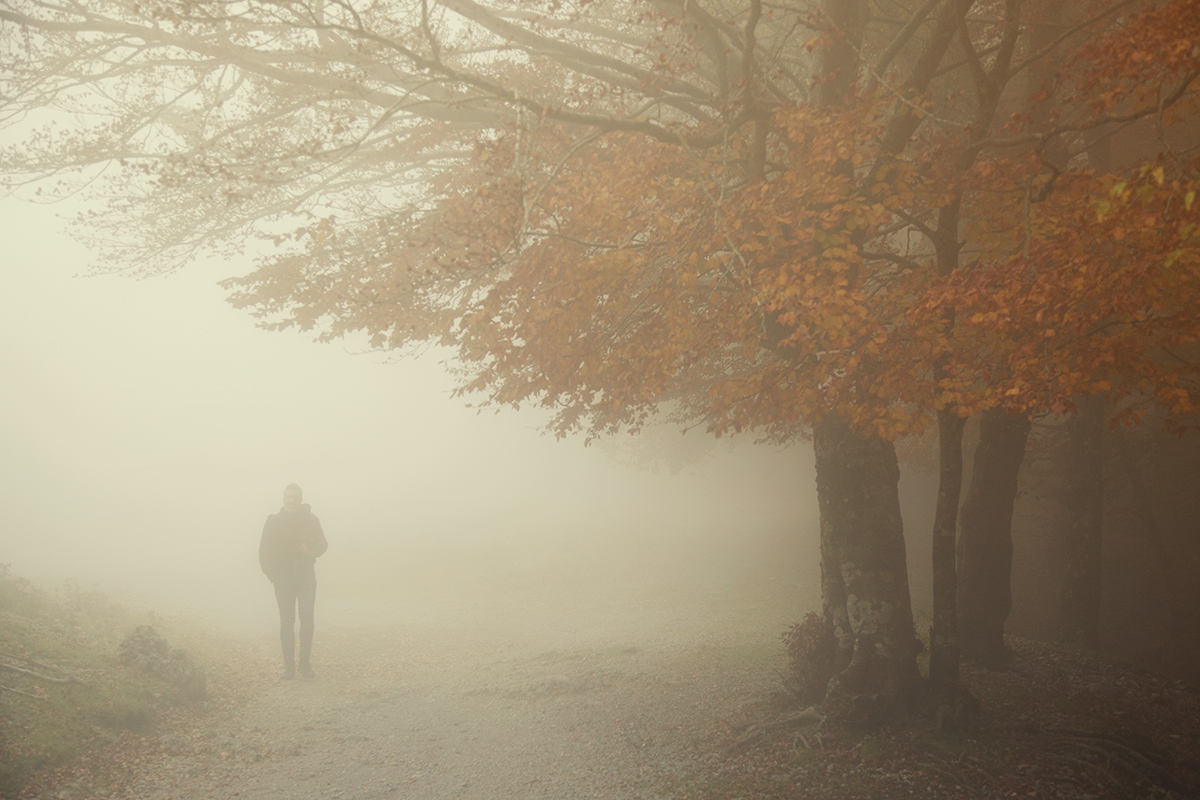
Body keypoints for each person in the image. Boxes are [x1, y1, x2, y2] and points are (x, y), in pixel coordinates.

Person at [259, 483, 328, 680]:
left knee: (307, 619)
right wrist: (274, 576)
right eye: (288, 496)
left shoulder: (311, 519)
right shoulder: (273, 522)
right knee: (286, 621)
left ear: (301, 498)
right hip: (283, 579)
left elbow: (324, 544)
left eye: (295, 496)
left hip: (306, 575)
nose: (291, 500)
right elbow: (263, 552)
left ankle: (305, 666)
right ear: (283, 499)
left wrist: (312, 552)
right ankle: (289, 667)